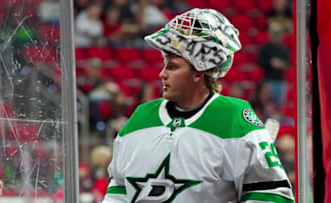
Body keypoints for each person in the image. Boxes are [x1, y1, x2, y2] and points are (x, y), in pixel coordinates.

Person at [102, 8, 294, 202]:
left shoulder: (235, 118)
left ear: (199, 72)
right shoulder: (140, 116)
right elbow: (118, 190)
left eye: (173, 66)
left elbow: (272, 194)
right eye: (164, 64)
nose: (162, 74)